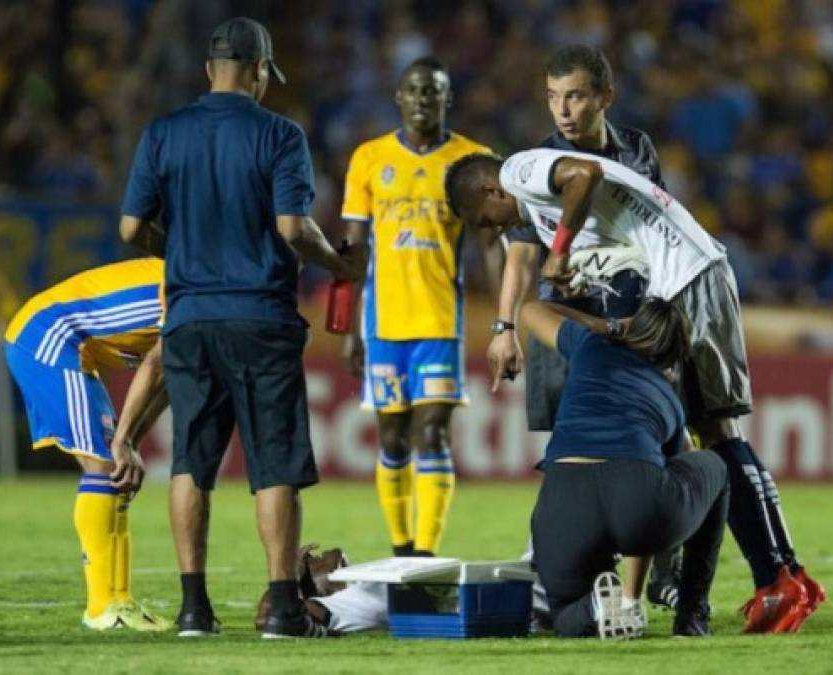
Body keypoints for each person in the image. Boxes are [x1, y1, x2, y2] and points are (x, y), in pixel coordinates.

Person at [445, 148, 826, 634]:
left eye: (485, 219)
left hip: (686, 278)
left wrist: (558, 255)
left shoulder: (520, 172)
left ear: (489, 190)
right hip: (678, 286)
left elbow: (586, 173)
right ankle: (774, 576)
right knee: (707, 435)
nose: (493, 228)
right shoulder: (546, 210)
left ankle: (778, 576)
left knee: (717, 430)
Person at [119, 17, 364, 639]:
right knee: (274, 467)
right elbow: (291, 228)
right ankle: (284, 608)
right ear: (258, 71)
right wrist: (339, 264)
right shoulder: (280, 134)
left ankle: (193, 610)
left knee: (190, 465)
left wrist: (179, 250)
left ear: (209, 70)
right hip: (260, 318)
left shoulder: (163, 133)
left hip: (191, 319)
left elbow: (128, 229)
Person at [492, 44, 682, 611]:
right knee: (568, 449)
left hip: (634, 320)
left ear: (605, 96)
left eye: (574, 95)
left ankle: (643, 583)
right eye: (553, 97)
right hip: (567, 326)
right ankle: (564, 569)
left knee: (651, 440)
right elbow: (521, 253)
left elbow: (660, 229)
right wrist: (505, 326)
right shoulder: (537, 164)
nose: (563, 110)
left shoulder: (639, 151)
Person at [340, 57, 494, 557]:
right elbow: (353, 251)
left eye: (434, 91)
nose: (423, 99)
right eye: (414, 90)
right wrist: (346, 325)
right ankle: (401, 547)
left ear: (448, 99)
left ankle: (425, 554)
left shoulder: (473, 161)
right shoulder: (369, 158)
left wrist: (503, 320)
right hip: (382, 323)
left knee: (431, 434)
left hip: (439, 323)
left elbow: (493, 244)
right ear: (399, 98)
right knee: (391, 440)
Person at [522, 297, 728, 638]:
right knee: (715, 469)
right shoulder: (670, 403)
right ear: (676, 352)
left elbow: (530, 309)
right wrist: (634, 595)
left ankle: (596, 607)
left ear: (632, 327)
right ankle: (692, 616)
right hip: (637, 495)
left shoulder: (590, 345)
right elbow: (666, 476)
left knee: (563, 617)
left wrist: (607, 326)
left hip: (563, 502)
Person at [4, 258, 170, 632]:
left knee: (118, 472)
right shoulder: (196, 283)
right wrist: (123, 442)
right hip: (49, 335)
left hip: (72, 346)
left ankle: (122, 601)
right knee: (103, 467)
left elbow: (170, 377)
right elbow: (158, 366)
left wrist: (131, 443)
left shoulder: (207, 277)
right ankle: (100, 608)